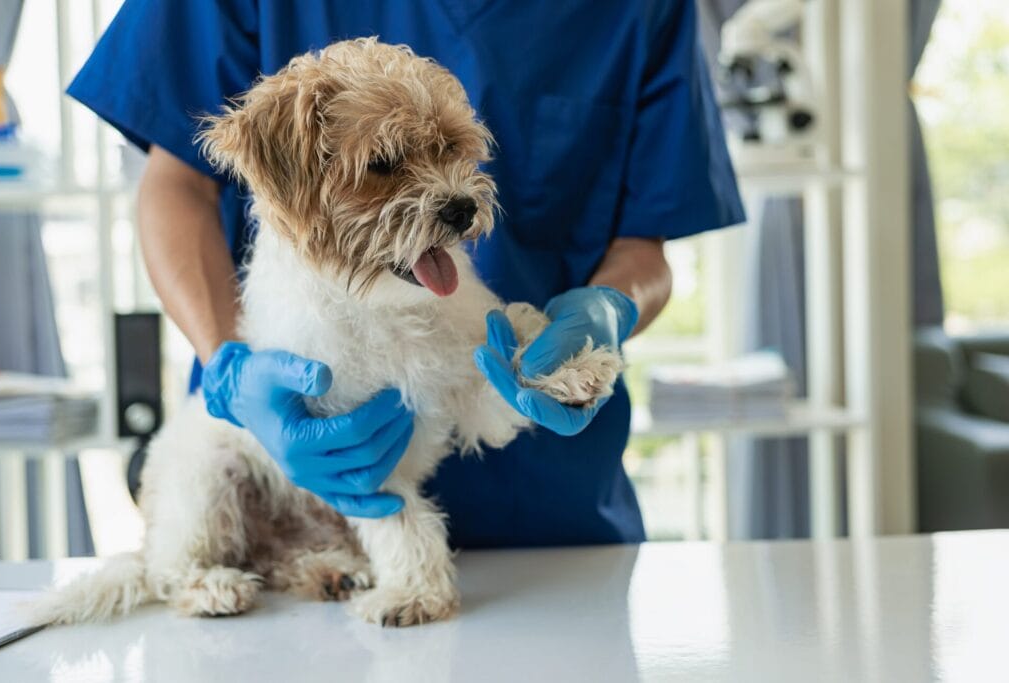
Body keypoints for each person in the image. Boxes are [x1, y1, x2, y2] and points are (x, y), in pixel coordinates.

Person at [69, 0, 744, 549]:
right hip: (302, 501)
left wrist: (607, 309)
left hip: (548, 507)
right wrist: (229, 367)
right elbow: (176, 185)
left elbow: (645, 249)